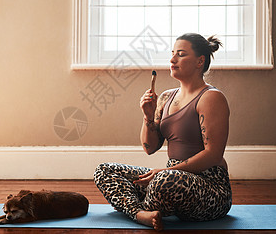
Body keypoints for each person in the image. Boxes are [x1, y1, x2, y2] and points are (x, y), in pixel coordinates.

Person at [94, 33, 232, 231]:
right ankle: (141, 213)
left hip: (209, 186)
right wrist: (148, 117)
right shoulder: (166, 97)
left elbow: (213, 154)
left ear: (200, 61)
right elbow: (150, 148)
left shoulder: (211, 98)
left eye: (181, 55)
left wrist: (165, 172)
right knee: (105, 170)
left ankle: (135, 208)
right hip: (169, 176)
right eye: (172, 53)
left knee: (163, 182)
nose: (172, 59)